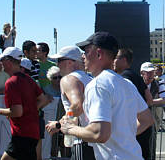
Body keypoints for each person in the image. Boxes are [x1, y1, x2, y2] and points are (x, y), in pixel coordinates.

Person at [60, 32, 154, 160]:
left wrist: (69, 128)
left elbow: (98, 132)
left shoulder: (97, 85)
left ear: (99, 54)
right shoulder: (127, 84)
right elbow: (147, 119)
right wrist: (124, 137)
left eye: (87, 51)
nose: (83, 56)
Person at [0, 47, 49, 160]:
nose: (1, 63)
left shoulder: (11, 83)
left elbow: (17, 112)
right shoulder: (28, 79)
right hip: (32, 133)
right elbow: (43, 99)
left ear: (8, 62)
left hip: (22, 134)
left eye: (2, 61)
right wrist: (29, 111)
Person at [45, 46, 95, 160]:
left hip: (82, 139)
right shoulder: (90, 79)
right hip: (95, 138)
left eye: (59, 61)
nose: (57, 65)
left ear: (70, 62)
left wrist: (59, 124)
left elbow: (77, 106)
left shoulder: (68, 79)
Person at [113, 48, 153, 160]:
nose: (113, 61)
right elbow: (149, 99)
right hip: (142, 127)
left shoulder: (125, 78)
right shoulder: (136, 76)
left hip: (134, 128)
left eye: (116, 58)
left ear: (124, 60)